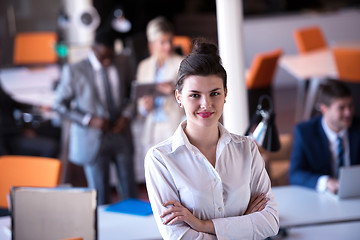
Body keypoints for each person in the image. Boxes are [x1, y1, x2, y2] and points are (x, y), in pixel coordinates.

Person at [144, 39, 279, 239]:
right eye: (195, 95)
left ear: (225, 94)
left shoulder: (247, 149)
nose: (206, 104)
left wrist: (202, 225)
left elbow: (270, 223)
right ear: (179, 97)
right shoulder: (160, 159)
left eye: (214, 93)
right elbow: (178, 236)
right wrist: (244, 223)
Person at [54, 30, 138, 204]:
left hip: (120, 133)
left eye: (111, 56)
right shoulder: (74, 70)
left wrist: (126, 115)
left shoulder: (122, 63)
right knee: (100, 196)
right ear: (93, 48)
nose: (108, 61)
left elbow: (133, 94)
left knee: (130, 191)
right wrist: (89, 120)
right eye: (103, 56)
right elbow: (59, 105)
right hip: (92, 138)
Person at [289, 79, 360, 194]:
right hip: (321, 198)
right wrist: (326, 182)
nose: (348, 113)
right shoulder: (305, 132)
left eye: (350, 106)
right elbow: (295, 174)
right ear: (324, 109)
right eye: (341, 108)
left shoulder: (357, 127)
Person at [135, 16, 184, 154]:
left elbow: (191, 98)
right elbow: (140, 107)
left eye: (170, 41)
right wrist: (145, 107)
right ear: (152, 44)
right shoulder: (143, 66)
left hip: (174, 127)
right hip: (151, 129)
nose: (168, 46)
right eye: (163, 42)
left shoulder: (182, 63)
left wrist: (174, 92)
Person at [0, 80, 59, 157]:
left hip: (16, 132)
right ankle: (41, 168)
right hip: (8, 139)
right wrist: (22, 131)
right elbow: (4, 127)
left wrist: (39, 107)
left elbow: (13, 103)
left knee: (55, 131)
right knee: (51, 147)